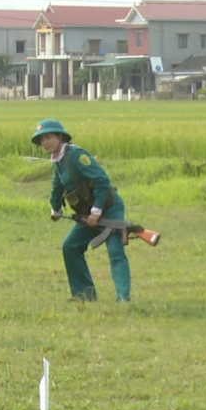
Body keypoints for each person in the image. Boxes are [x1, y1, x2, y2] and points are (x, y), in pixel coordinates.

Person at [35, 119, 132, 302]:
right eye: (41, 140)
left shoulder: (76, 155)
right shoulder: (57, 161)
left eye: (48, 137)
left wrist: (97, 211)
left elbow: (102, 180)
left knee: (115, 251)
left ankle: (123, 297)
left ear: (60, 136)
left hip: (109, 208)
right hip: (87, 213)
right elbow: (57, 185)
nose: (45, 142)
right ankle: (84, 294)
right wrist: (55, 208)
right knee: (70, 246)